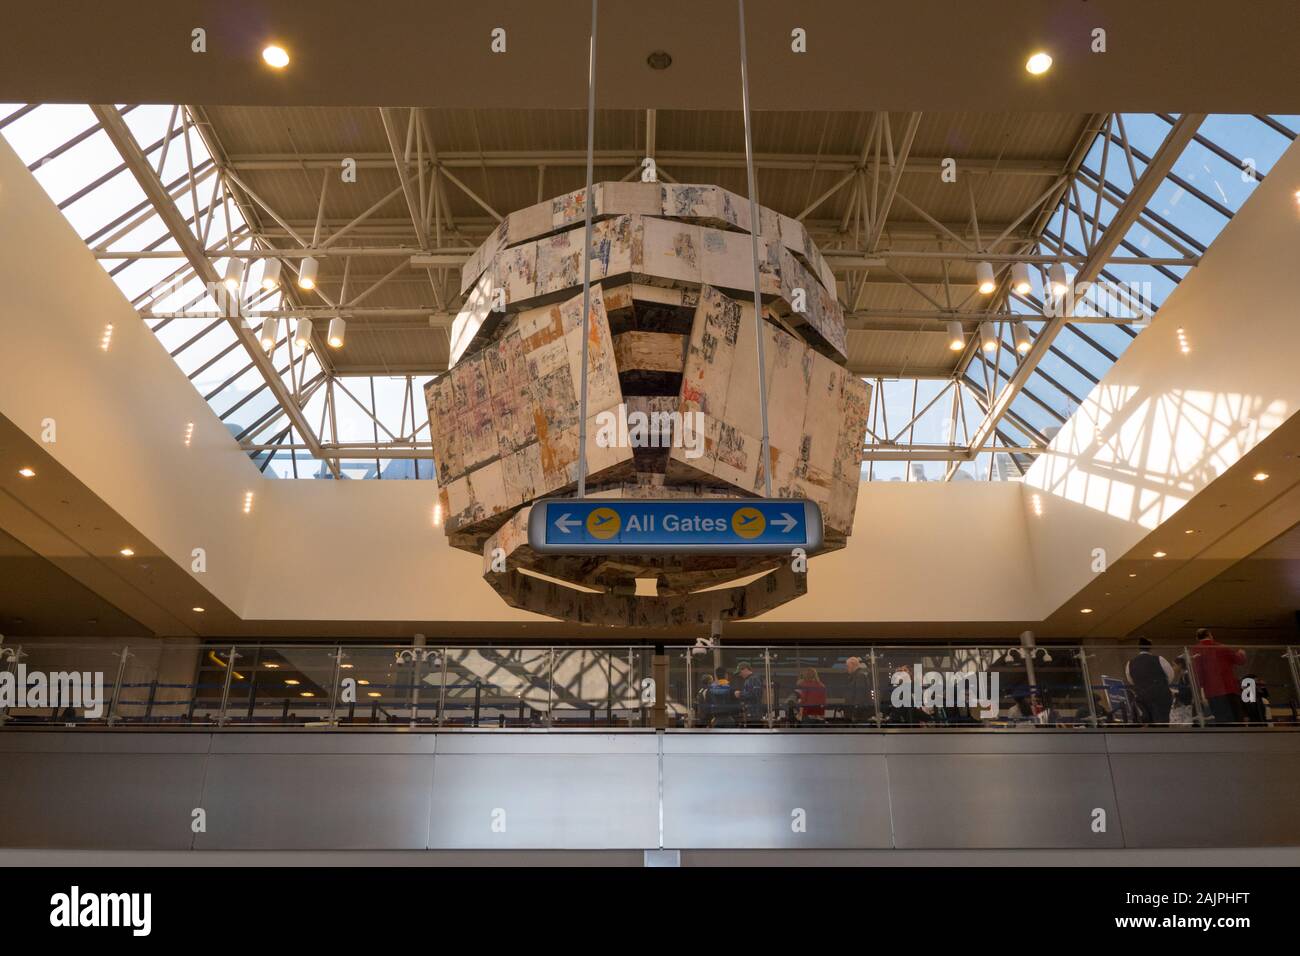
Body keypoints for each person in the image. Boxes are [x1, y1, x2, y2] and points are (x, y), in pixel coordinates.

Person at [1191, 628, 1246, 725]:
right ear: (1210, 635)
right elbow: (1240, 660)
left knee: (1221, 720)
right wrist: (1241, 653)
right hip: (1229, 688)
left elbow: (1198, 672)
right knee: (1236, 720)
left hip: (1212, 691)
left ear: (1197, 638)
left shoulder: (1195, 650)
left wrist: (1200, 691)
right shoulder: (1221, 647)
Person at [1125, 638, 1175, 725]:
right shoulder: (1159, 659)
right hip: (1161, 694)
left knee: (1148, 722)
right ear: (1150, 647)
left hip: (1143, 695)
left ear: (1139, 648)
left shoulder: (1130, 663)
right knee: (1163, 721)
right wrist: (1164, 685)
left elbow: (1131, 680)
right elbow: (1170, 674)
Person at [842, 656, 872, 724]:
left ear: (853, 665)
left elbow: (860, 696)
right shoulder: (856, 676)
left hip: (857, 714)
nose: (847, 668)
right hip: (854, 712)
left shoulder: (860, 676)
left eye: (848, 666)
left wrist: (855, 713)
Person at [734, 661, 766, 725]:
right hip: (752, 713)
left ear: (745, 669)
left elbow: (756, 694)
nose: (740, 675)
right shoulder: (750, 679)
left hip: (754, 714)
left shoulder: (754, 679)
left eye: (740, 672)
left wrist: (740, 694)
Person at [1169, 655, 1195, 725]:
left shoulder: (1185, 675)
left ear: (1180, 665)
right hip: (1185, 704)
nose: (1173, 668)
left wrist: (1175, 694)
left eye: (1174, 665)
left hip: (1187, 704)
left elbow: (1188, 691)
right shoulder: (1183, 675)